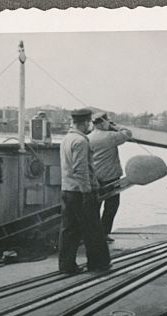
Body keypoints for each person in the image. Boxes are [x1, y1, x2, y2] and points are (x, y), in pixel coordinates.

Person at [58, 108, 111, 273]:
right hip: (80, 192)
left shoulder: (67, 138)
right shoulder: (81, 141)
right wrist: (87, 192)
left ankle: (66, 266)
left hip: (67, 190)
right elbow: (80, 170)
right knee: (93, 229)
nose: (90, 125)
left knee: (69, 229)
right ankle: (98, 264)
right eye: (89, 122)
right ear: (85, 122)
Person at [88, 112, 133, 243]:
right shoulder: (110, 136)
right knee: (111, 206)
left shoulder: (88, 137)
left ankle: (92, 234)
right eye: (107, 121)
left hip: (94, 178)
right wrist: (115, 126)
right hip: (110, 178)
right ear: (103, 122)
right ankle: (104, 233)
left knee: (95, 207)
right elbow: (128, 133)